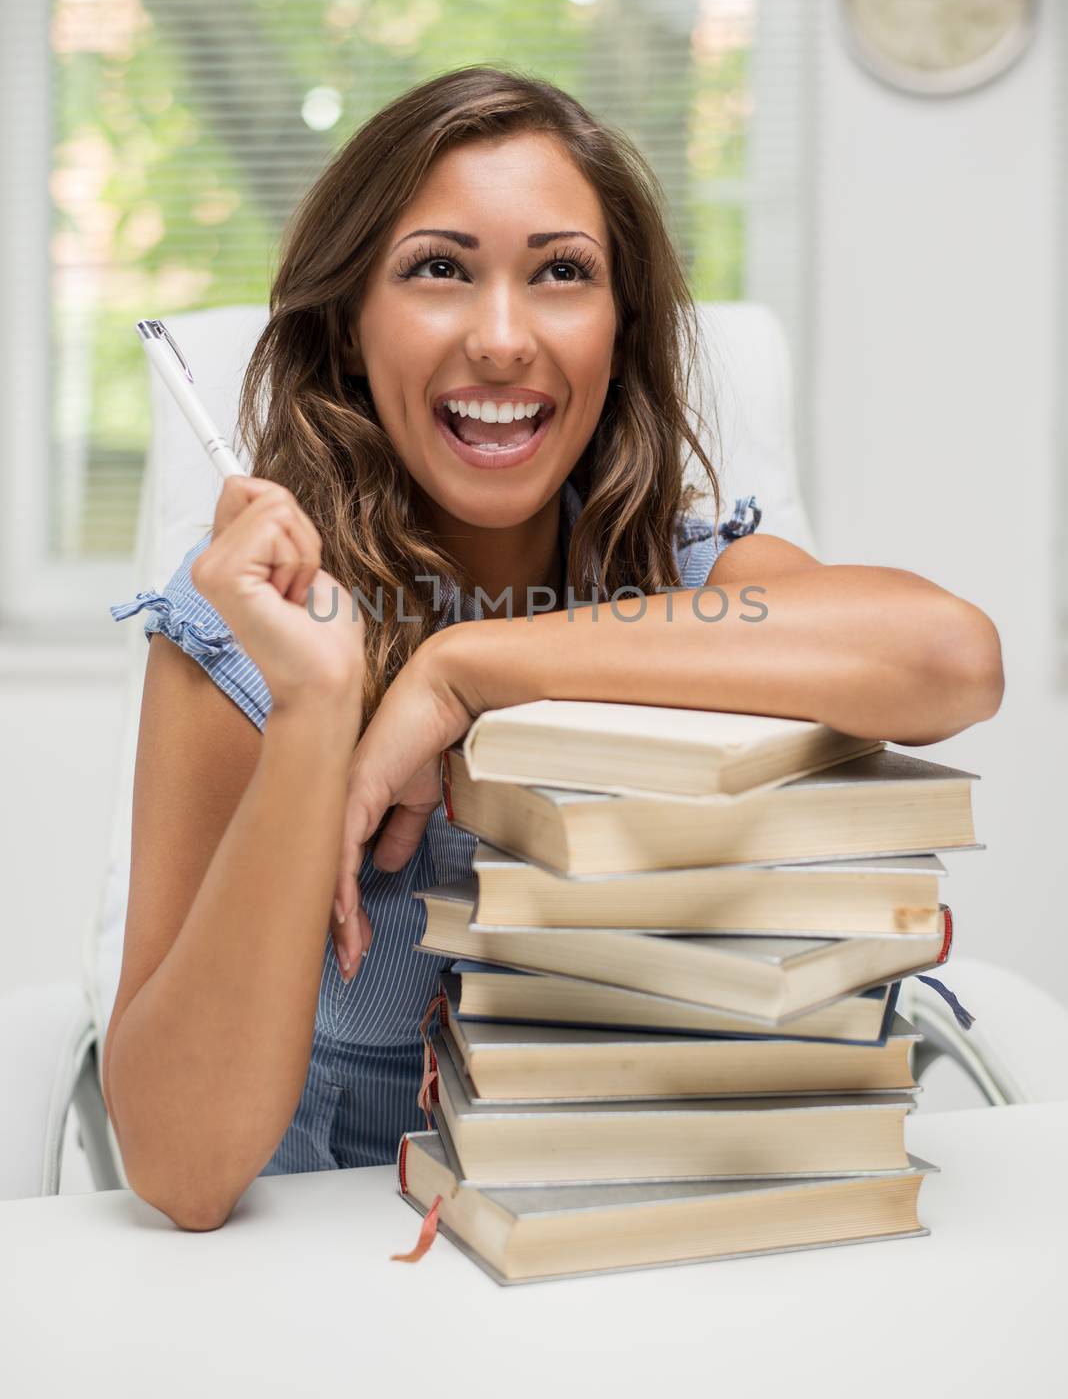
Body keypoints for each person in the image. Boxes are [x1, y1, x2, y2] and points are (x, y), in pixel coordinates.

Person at [103, 64, 1004, 1231]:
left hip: (666, 1253)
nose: (502, 337)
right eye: (439, 269)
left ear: (619, 330)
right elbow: (180, 1170)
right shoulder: (251, 631)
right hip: (349, 1290)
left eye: (561, 273)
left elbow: (951, 657)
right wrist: (324, 708)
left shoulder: (688, 578)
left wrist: (461, 674)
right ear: (347, 325)